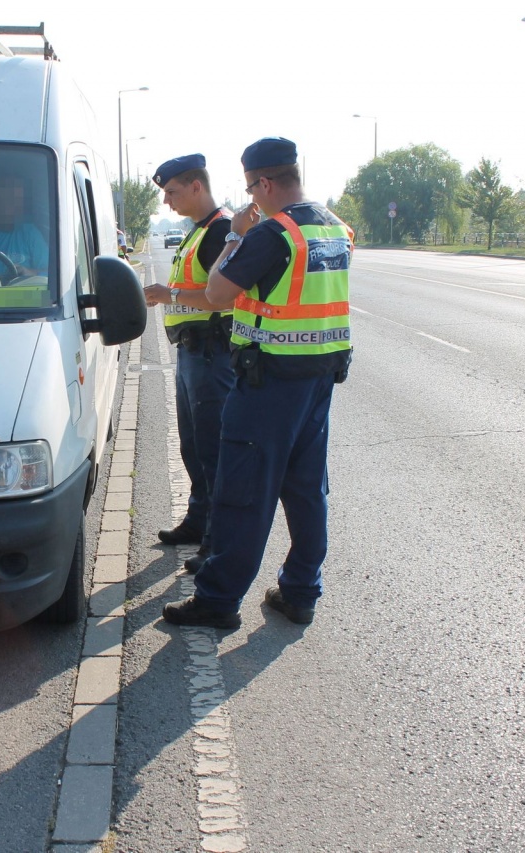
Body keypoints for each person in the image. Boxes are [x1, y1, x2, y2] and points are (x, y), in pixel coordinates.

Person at [161, 137, 353, 628]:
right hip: (318, 382)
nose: (251, 199)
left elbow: (217, 292)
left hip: (268, 384)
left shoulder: (274, 234)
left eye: (251, 189)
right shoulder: (334, 228)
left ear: (265, 183)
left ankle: (218, 602)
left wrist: (235, 237)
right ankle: (300, 591)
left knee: (242, 492)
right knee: (308, 491)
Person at [142, 154, 235, 573]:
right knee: (193, 446)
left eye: (172, 192)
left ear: (196, 186)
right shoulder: (199, 231)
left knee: (213, 450)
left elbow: (223, 297)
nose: (167, 202)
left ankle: (217, 542)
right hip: (192, 351)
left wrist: (169, 295)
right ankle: (199, 522)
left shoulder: (220, 231)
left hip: (212, 353)